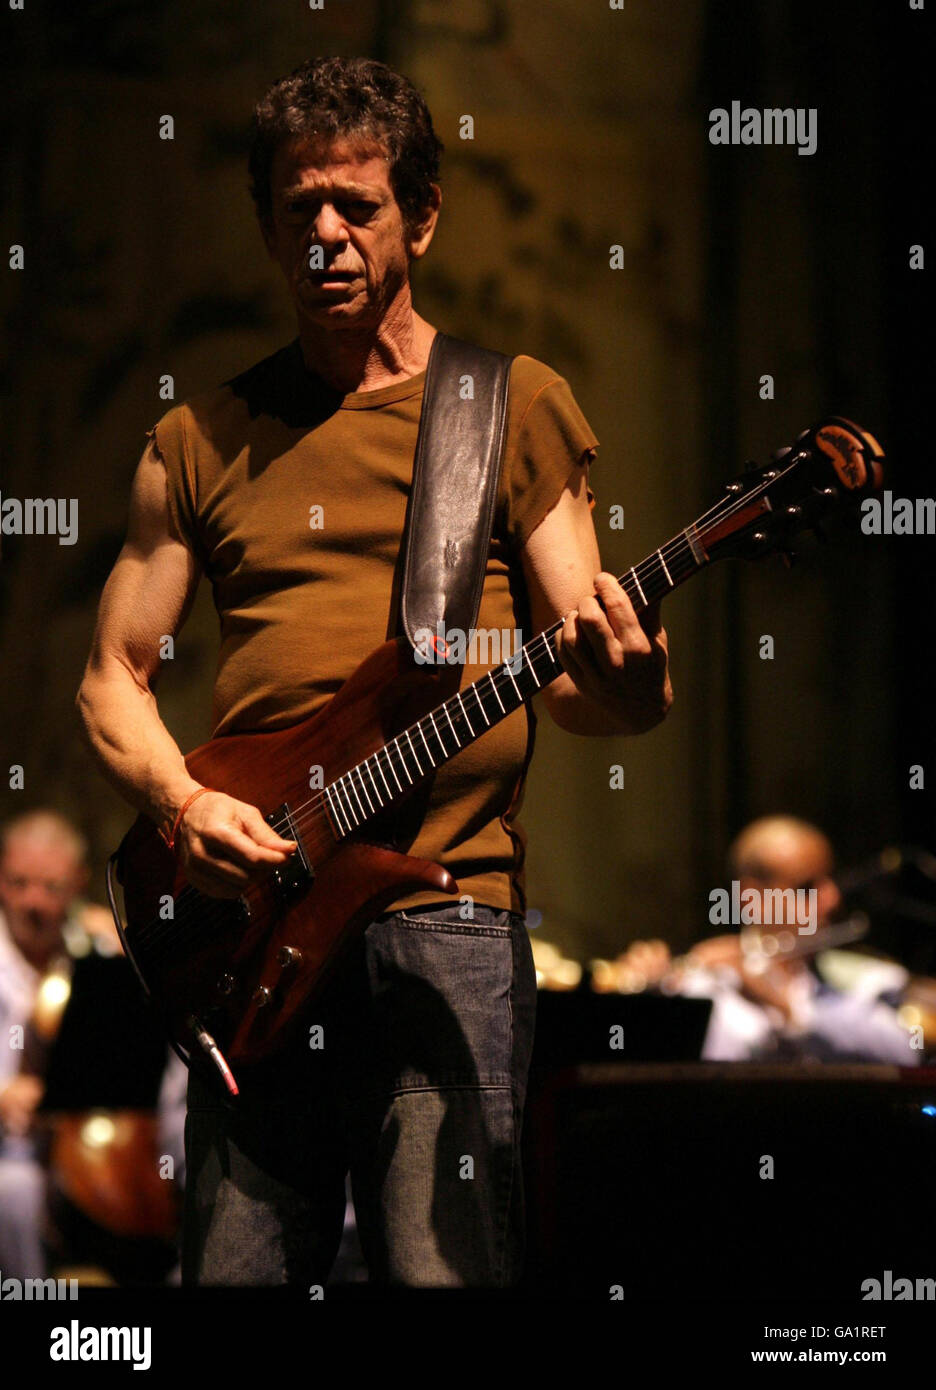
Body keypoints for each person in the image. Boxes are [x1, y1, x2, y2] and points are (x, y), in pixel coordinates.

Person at [76, 56, 672, 1288]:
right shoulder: (199, 437)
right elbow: (111, 678)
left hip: (444, 911)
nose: (329, 236)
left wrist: (630, 676)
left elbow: (573, 678)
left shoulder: (510, 406)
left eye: (359, 206)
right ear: (267, 225)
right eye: (301, 209)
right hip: (252, 934)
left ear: (425, 217)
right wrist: (187, 808)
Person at [608, 816, 918, 1064]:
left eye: (830, 882)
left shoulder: (864, 980)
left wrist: (789, 1013)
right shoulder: (699, 987)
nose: (832, 899)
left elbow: (903, 1053)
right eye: (807, 888)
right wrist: (644, 1006)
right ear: (751, 896)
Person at [0, 810, 98, 1277]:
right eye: (17, 883)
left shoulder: (92, 950)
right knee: (16, 1191)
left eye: (50, 888)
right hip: (11, 1155)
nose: (31, 902)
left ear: (78, 884)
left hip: (87, 1154)